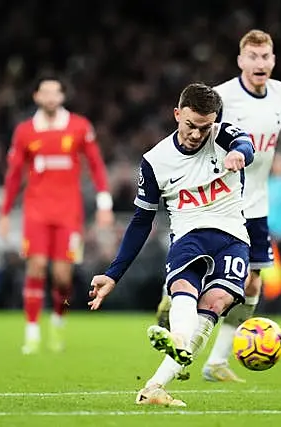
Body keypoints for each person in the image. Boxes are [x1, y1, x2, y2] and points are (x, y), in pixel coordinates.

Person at [155, 29, 281, 382]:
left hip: (257, 205)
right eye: (253, 57)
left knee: (251, 285)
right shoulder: (223, 97)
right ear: (241, 60)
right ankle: (180, 322)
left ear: (273, 60)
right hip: (219, 202)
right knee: (208, 278)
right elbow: (193, 139)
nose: (260, 63)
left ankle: (215, 362)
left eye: (266, 57)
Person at [88, 83, 255, 406]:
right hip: (189, 233)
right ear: (177, 114)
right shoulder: (155, 161)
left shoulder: (222, 136)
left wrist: (238, 153)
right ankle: (178, 336)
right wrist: (114, 274)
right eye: (190, 125)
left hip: (233, 236)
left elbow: (244, 144)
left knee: (217, 303)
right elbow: (140, 222)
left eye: (204, 127)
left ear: (215, 121)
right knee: (184, 286)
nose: (196, 134)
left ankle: (153, 387)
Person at [0, 76, 114, 355]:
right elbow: (14, 175)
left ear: (62, 97)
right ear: (37, 96)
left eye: (56, 92)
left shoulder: (79, 126)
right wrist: (4, 211)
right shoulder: (25, 131)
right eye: (45, 92)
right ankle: (32, 331)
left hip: (68, 214)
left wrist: (104, 202)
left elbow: (96, 165)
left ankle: (59, 319)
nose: (51, 97)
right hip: (36, 212)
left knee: (63, 277)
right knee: (36, 267)